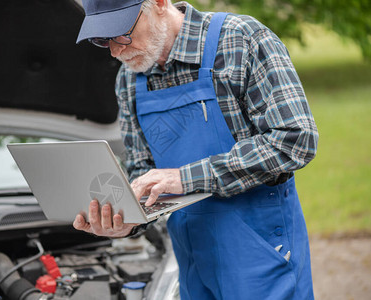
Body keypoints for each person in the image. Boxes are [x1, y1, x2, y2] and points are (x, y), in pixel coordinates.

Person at [74, 0, 319, 299]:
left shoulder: (241, 40)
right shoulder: (128, 80)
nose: (115, 50)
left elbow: (295, 140)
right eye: (102, 40)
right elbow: (143, 172)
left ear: (160, 4)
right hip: (192, 263)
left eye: (122, 33)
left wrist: (186, 178)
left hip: (262, 253)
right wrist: (127, 221)